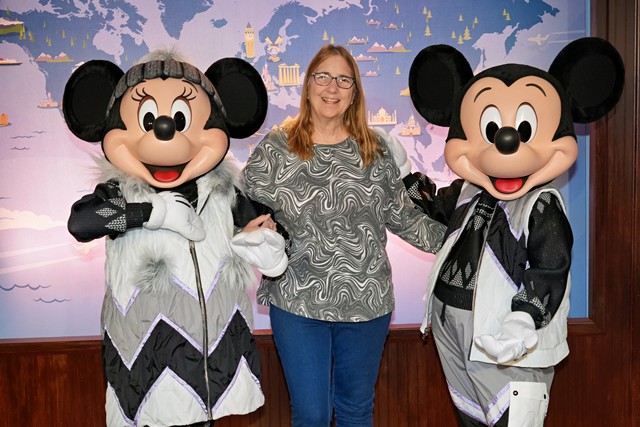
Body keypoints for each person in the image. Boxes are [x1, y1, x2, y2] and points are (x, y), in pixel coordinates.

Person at [63, 49, 288, 426]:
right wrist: (151, 213)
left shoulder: (225, 194)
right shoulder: (120, 193)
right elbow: (82, 222)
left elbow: (272, 230)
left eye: (180, 119)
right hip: (147, 367)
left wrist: (271, 252)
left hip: (212, 369)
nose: (165, 131)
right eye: (149, 120)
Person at [241, 44, 447, 427]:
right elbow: (242, 208)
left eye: (343, 80)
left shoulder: (374, 148)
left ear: (354, 92)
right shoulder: (276, 147)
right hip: (297, 299)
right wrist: (249, 229)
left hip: (366, 299)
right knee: (312, 414)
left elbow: (402, 217)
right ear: (308, 85)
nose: (332, 87)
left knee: (355, 411)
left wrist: (459, 241)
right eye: (323, 77)